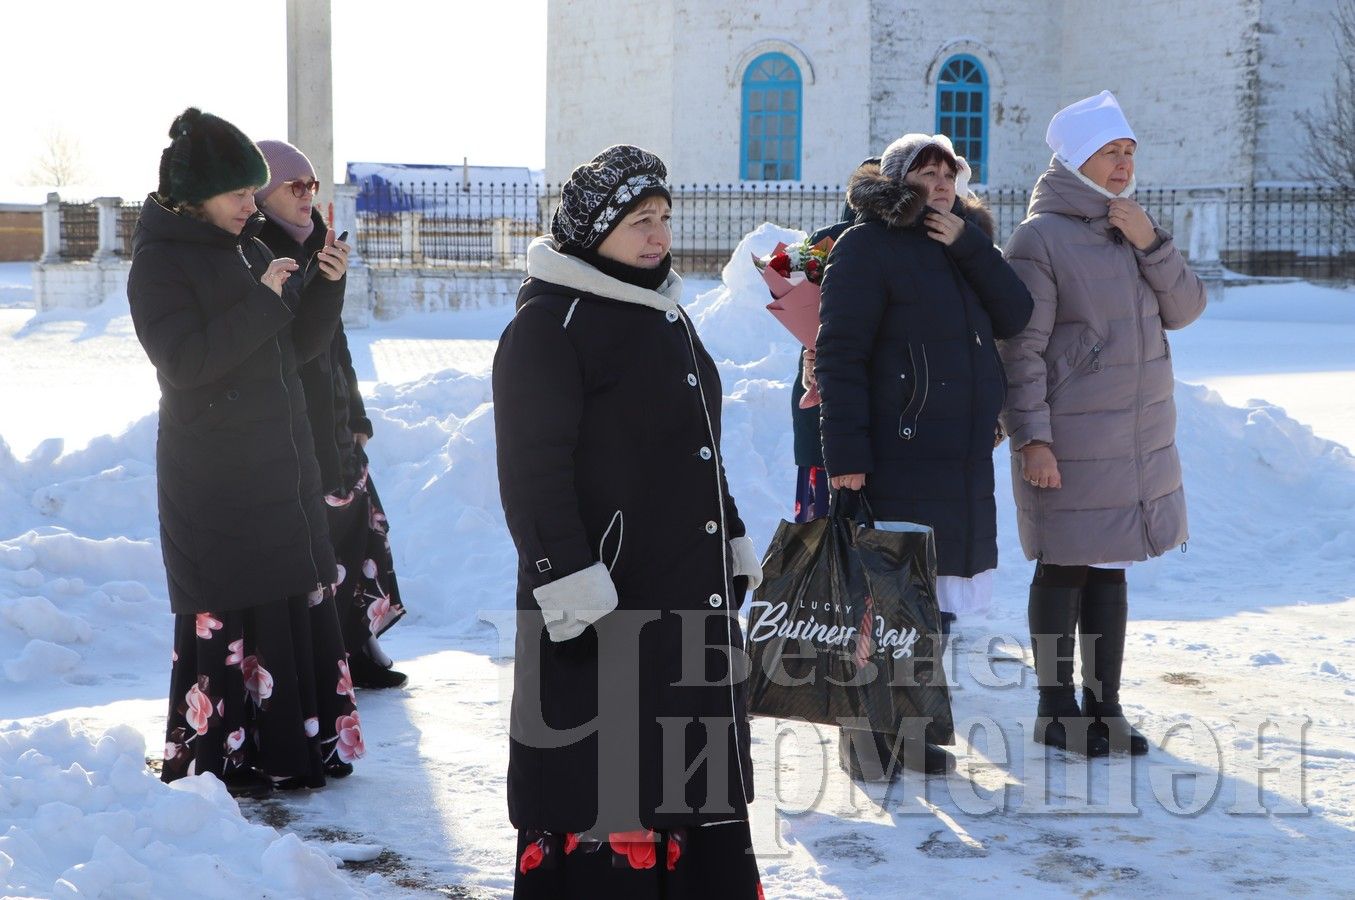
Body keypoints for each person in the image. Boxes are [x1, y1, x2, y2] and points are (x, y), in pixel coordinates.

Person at [493, 145, 765, 898]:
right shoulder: (552, 325)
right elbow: (531, 473)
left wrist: (731, 537)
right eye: (639, 221)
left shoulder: (664, 313)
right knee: (606, 778)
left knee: (689, 773)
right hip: (608, 607)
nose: (658, 235)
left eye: (664, 219)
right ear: (593, 232)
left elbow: (699, 449)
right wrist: (573, 591)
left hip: (687, 592)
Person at [127, 108, 360, 794]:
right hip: (217, 480)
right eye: (236, 194)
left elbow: (290, 349)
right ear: (194, 195)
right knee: (235, 607)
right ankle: (225, 756)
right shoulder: (159, 264)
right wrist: (263, 300)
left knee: (287, 604)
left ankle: (294, 749)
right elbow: (185, 363)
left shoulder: (246, 247)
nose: (248, 204)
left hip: (277, 468)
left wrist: (327, 285)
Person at [815, 134, 1034, 776]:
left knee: (931, 604)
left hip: (959, 458)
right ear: (897, 181)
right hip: (895, 452)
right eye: (926, 173)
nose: (940, 184)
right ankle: (864, 737)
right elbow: (840, 355)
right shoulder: (865, 247)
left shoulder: (964, 245)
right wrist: (845, 453)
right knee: (883, 600)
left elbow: (1015, 314)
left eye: (949, 174)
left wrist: (970, 246)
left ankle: (910, 730)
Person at [999, 91, 1207, 757]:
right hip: (1070, 436)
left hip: (1132, 435)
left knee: (1110, 565)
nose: (1122, 163)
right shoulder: (1039, 238)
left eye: (1127, 152)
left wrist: (1150, 241)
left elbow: (1186, 308)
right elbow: (1020, 348)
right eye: (1109, 151)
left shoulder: (1130, 228)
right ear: (1074, 158)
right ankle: (1055, 709)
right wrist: (1032, 437)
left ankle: (1105, 706)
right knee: (1064, 565)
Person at [254, 139, 408, 690]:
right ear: (262, 195)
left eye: (313, 185)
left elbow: (337, 343)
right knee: (320, 551)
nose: (307, 195)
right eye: (294, 186)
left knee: (360, 540)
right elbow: (298, 345)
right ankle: (329, 657)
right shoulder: (260, 253)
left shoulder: (320, 243)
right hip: (299, 424)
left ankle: (359, 644)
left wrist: (358, 414)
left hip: (337, 420)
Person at [790, 158, 880, 525]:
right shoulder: (832, 243)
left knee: (821, 523)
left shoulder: (825, 240)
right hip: (835, 399)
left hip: (821, 397)